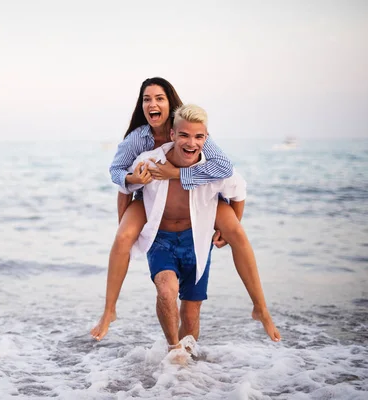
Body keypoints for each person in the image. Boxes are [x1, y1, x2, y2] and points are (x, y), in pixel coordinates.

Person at [90, 78, 280, 343]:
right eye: (147, 99)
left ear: (171, 103)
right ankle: (110, 311)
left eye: (159, 98)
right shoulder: (140, 142)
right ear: (172, 135)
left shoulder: (194, 133)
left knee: (235, 234)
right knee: (123, 238)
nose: (152, 104)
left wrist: (176, 174)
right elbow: (118, 178)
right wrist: (135, 185)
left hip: (198, 208)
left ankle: (261, 308)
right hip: (151, 200)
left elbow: (228, 174)